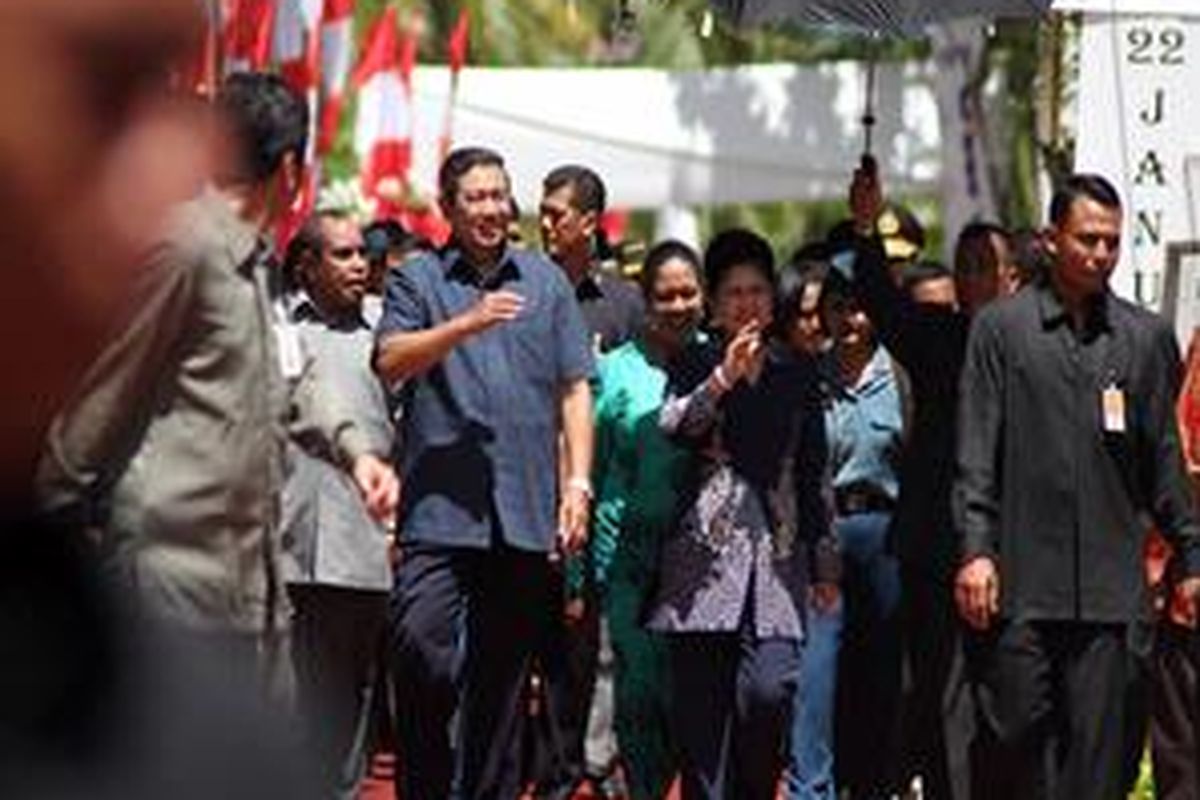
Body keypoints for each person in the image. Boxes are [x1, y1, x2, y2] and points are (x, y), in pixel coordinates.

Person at [35, 72, 397, 688]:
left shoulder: (254, 264)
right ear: (290, 169)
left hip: (248, 587)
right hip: (170, 582)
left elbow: (295, 375)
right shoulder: (182, 250)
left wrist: (356, 451)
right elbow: (102, 394)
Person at [953, 173, 1200, 799]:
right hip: (1021, 586)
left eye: (1112, 242)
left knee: (1099, 760)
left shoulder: (1144, 340)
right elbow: (976, 450)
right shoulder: (1000, 331)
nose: (1100, 253)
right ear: (1050, 239)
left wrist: (1191, 556)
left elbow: (1165, 463)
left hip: (1109, 597)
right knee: (1015, 740)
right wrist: (976, 548)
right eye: (1087, 238)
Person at [374, 146, 595, 800]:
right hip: (439, 513)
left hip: (523, 512)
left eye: (500, 195)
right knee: (420, 647)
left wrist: (578, 482)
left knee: (500, 691)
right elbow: (390, 360)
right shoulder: (418, 280)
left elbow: (574, 386)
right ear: (448, 207)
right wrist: (465, 323)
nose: (493, 208)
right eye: (477, 197)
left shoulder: (546, 281)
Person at [842, 162, 1018, 800]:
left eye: (986, 266)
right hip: (934, 545)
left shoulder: (1034, 343)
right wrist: (866, 225)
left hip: (1016, 549)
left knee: (1011, 696)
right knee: (936, 692)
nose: (973, 278)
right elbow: (884, 305)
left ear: (1014, 276)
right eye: (964, 265)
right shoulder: (940, 336)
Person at [646, 229, 835, 799]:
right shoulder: (694, 360)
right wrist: (723, 376)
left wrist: (826, 566)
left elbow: (814, 471)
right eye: (734, 292)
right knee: (703, 727)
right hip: (702, 567)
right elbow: (674, 426)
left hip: (777, 562)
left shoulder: (798, 371)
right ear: (714, 301)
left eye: (757, 290)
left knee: (768, 693)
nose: (747, 302)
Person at [532, 163, 645, 799]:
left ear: (590, 222)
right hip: (533, 497)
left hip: (610, 503)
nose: (546, 223)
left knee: (604, 644)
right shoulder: (524, 290)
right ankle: (552, 771)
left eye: (558, 213)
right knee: (548, 650)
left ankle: (603, 769)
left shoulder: (625, 305)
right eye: (542, 211)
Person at [281, 209, 397, 799]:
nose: (359, 265)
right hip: (280, 543)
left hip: (362, 543)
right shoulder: (275, 326)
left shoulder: (390, 334)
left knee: (349, 697)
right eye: (343, 255)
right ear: (308, 263)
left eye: (362, 255)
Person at [784, 267, 908, 800]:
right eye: (838, 307)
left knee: (882, 669)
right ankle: (813, 788)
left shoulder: (902, 376)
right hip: (826, 531)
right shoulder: (808, 378)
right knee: (817, 672)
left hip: (887, 533)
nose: (850, 319)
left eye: (859, 307)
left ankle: (877, 782)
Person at [589, 240, 706, 799]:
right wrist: (575, 573)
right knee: (638, 706)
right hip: (628, 567)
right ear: (646, 301)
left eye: (689, 293)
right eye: (667, 296)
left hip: (707, 571)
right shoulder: (611, 372)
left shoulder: (721, 364)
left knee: (692, 706)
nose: (679, 305)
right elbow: (588, 469)